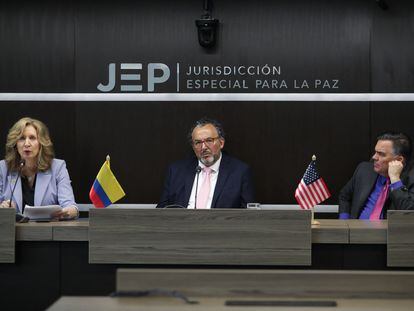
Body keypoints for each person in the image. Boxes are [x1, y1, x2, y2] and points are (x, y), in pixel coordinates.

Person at [157, 118, 254, 208]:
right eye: (198, 142)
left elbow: (247, 215)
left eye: (209, 140)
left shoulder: (240, 172)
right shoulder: (176, 171)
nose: (203, 147)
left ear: (221, 143)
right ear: (193, 147)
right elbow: (161, 211)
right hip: (182, 225)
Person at [0, 117, 78, 219]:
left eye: (32, 138)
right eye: (22, 138)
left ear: (41, 143)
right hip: (13, 232)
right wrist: (3, 208)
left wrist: (65, 212)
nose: (27, 144)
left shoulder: (57, 167)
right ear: (15, 143)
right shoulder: (3, 168)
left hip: (47, 231)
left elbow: (71, 207)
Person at [339, 132, 414, 219]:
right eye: (375, 152)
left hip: (389, 232)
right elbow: (344, 196)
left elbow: (409, 212)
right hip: (356, 230)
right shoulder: (364, 170)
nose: (374, 157)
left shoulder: (411, 179)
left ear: (399, 160)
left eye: (381, 154)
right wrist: (344, 221)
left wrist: (395, 179)